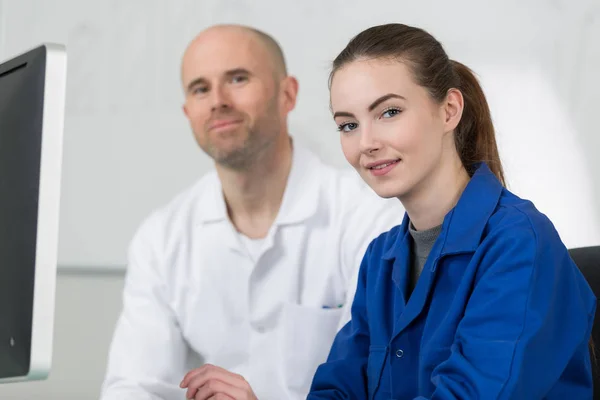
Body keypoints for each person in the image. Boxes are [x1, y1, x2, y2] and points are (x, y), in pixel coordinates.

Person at [99, 24, 403, 400]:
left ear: (287, 94)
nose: (218, 101)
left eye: (238, 78)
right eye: (200, 89)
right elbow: (135, 385)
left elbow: (378, 383)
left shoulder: (368, 216)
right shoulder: (161, 238)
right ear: (187, 111)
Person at [307, 23, 596, 399]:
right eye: (348, 125)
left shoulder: (519, 243)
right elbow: (338, 389)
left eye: (389, 112)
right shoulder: (381, 259)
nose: (366, 143)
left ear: (449, 110)